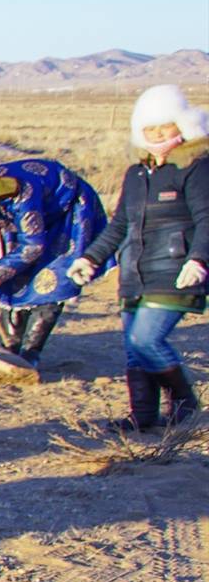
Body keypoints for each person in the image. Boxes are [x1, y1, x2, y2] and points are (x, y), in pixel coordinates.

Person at [68, 85, 208, 430]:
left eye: (166, 126)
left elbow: (208, 217)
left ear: (182, 125)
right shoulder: (136, 174)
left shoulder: (196, 168)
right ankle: (143, 418)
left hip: (176, 271)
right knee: (134, 350)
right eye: (151, 129)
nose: (159, 134)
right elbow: (119, 226)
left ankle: (186, 404)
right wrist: (90, 258)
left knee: (145, 339)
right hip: (133, 272)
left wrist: (200, 259)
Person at [0, 159, 107, 367]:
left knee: (51, 281)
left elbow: (32, 247)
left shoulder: (23, 194)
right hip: (24, 225)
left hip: (66, 215)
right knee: (11, 280)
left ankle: (30, 354)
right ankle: (10, 348)